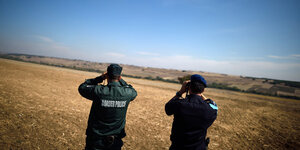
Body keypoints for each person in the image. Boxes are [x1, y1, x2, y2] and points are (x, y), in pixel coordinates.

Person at [78, 64, 137, 150]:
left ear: (107, 76)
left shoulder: (99, 90)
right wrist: (121, 80)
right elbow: (132, 90)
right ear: (119, 77)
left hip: (96, 140)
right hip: (115, 141)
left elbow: (82, 87)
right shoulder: (127, 93)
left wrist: (100, 78)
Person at [165, 74, 218, 150]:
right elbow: (214, 106)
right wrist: (200, 93)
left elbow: (167, 108)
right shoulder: (210, 110)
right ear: (203, 90)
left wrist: (180, 92)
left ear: (188, 87)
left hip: (177, 147)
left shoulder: (179, 104)